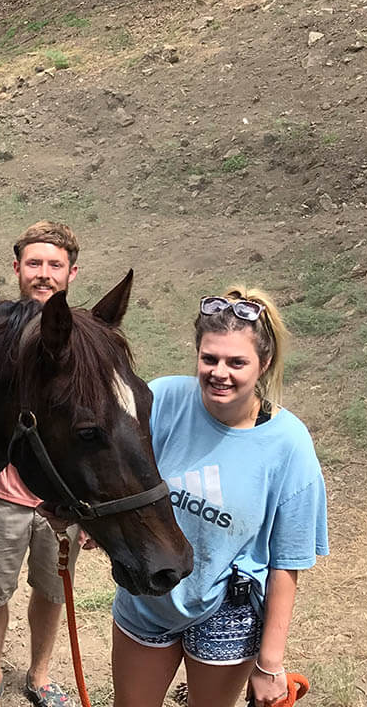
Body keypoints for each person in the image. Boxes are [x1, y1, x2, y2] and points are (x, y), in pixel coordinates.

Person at [109, 288, 329, 707]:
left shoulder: (289, 444)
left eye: (236, 362)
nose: (219, 372)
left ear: (263, 364)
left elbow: (287, 563)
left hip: (229, 606)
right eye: (209, 359)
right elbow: (116, 477)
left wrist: (270, 664)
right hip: (150, 590)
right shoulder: (163, 401)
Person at [0, 221, 85, 707]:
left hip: (60, 502)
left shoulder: (85, 340)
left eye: (54, 265)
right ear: (16, 268)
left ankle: (39, 675)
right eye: (34, 263)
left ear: (72, 273)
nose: (44, 274)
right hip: (0, 495)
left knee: (53, 591)